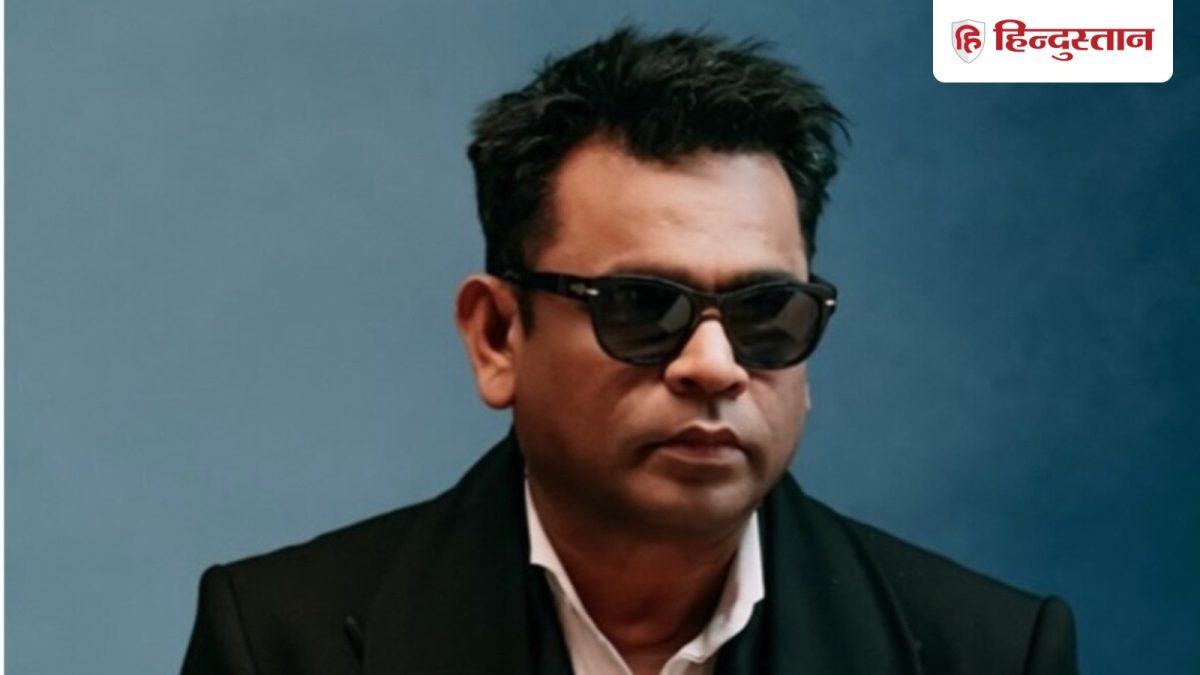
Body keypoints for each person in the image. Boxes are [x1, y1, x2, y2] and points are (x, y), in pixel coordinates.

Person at [180, 27, 1078, 675]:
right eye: (643, 306)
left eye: (767, 310)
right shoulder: (281, 643)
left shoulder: (989, 653)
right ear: (497, 336)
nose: (715, 365)